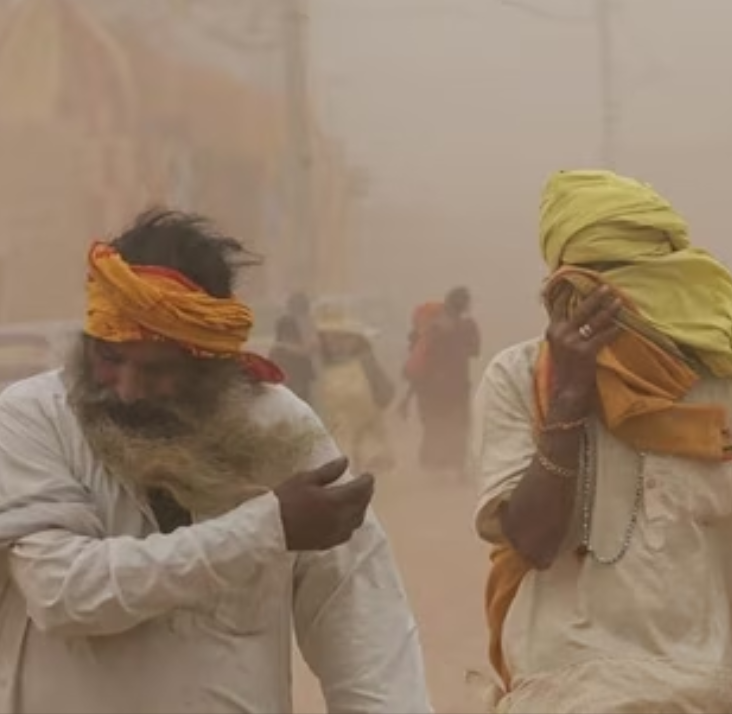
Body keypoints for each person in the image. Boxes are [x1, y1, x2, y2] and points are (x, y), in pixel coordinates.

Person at [0, 209, 432, 713]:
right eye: (111, 358)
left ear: (210, 362)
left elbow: (365, 629)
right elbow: (65, 593)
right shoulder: (32, 418)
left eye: (157, 370)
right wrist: (266, 529)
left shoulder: (279, 429)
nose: (129, 389)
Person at [469, 171, 732, 714]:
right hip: (567, 692)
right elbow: (533, 541)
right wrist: (568, 400)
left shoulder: (728, 386)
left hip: (703, 691)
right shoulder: (520, 379)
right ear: (567, 287)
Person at [400, 286, 480, 482]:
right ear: (465, 304)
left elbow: (422, 359)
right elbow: (475, 351)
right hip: (457, 385)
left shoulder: (433, 327)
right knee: (459, 424)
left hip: (431, 387)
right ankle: (457, 469)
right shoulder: (467, 326)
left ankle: (436, 469)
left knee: (434, 425)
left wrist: (408, 396)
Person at [313, 306, 398, 475]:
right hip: (337, 426)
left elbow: (384, 388)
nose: (333, 342)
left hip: (366, 422)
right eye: (328, 337)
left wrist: (378, 406)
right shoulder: (318, 364)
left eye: (339, 337)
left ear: (352, 339)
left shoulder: (365, 359)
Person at [269, 315, 316, 403]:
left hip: (287, 393)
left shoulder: (277, 350)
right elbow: (308, 378)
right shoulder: (279, 350)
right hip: (297, 393)